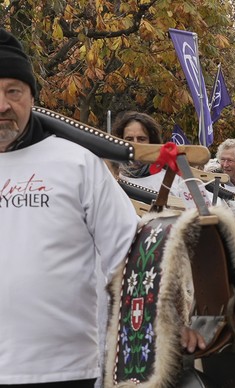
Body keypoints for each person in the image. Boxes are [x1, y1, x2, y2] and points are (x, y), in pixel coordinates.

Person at [0, 28, 138, 386]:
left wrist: (169, 323)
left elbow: (131, 253)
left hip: (66, 369)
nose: (2, 104)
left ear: (32, 96)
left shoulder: (76, 164)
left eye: (13, 91)